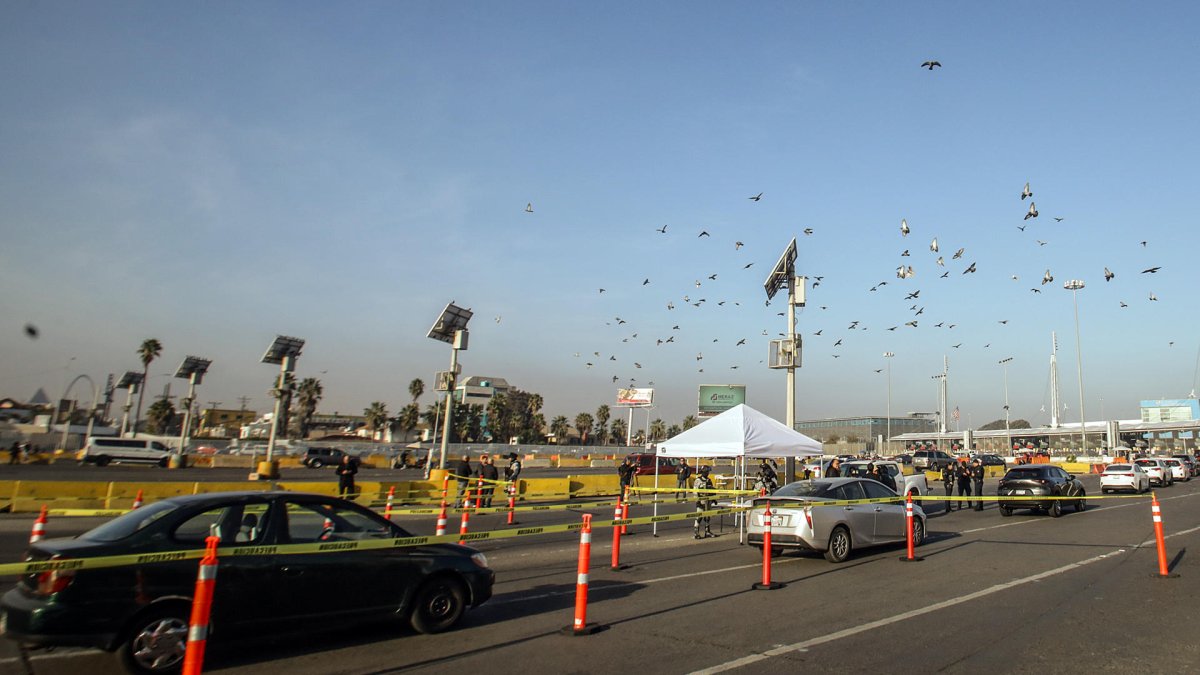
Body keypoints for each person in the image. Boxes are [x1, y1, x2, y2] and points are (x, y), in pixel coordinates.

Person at [693, 465, 715, 538]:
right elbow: (695, 492)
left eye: (708, 472)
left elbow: (712, 490)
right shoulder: (698, 480)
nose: (707, 473)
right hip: (701, 500)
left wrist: (714, 499)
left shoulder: (709, 480)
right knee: (699, 516)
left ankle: (707, 531)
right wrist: (698, 501)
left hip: (708, 501)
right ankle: (696, 532)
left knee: (707, 517)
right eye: (706, 472)